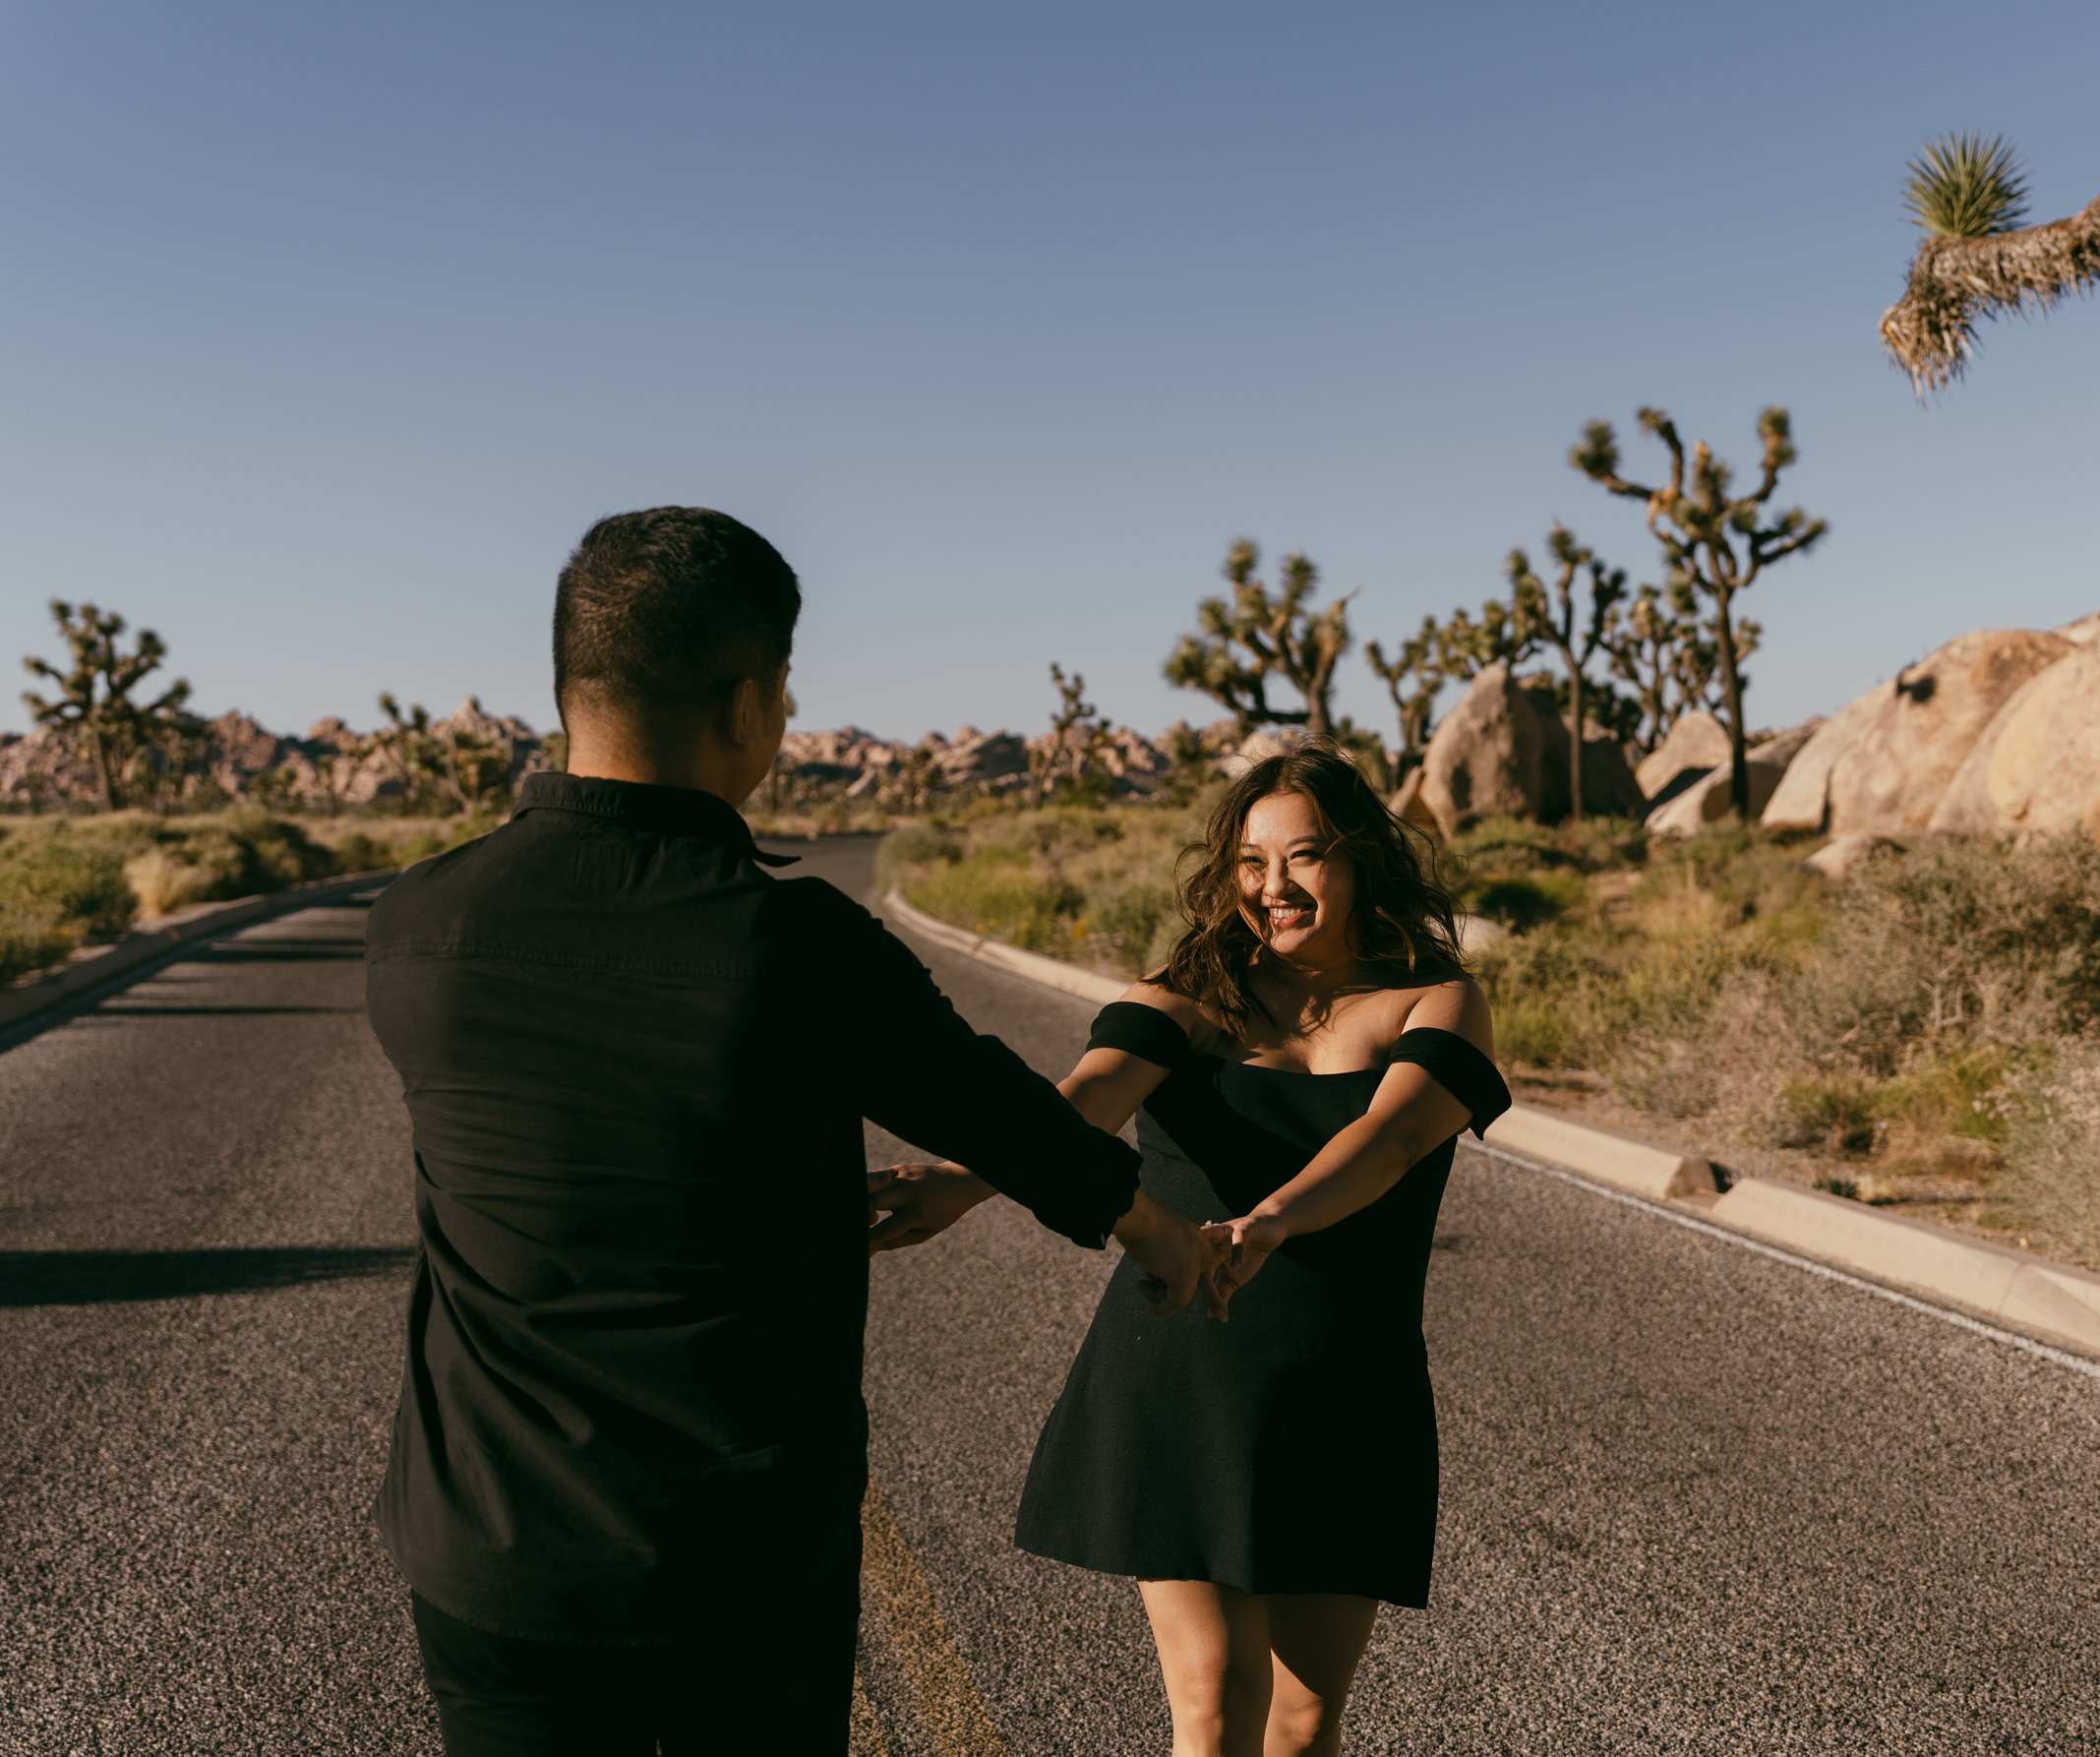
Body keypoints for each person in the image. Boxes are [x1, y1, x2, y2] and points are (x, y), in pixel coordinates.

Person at [361, 506, 1220, 1756]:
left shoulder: (417, 925)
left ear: (566, 687)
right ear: (753, 703)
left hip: (492, 1552)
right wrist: (1157, 1230)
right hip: (741, 1558)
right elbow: (1006, 1118)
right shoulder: (802, 951)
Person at [872, 742, 1509, 1757]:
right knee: (1212, 1709)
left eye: (1304, 858)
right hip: (1183, 1366)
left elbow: (1388, 1138)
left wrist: (1270, 1219)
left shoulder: (1436, 1001)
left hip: (1344, 1378)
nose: (1274, 887)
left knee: (1302, 1727)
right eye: (1252, 864)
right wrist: (960, 1179)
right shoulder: (1189, 990)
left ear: (1357, 862)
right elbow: (1081, 1102)